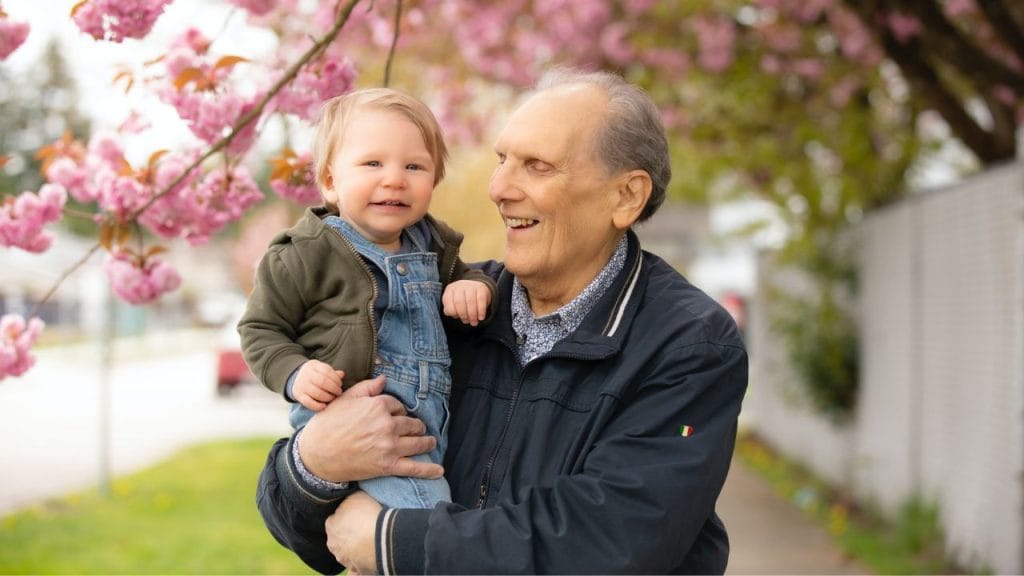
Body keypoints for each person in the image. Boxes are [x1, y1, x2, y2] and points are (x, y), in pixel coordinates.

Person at [256, 68, 748, 574]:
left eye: (537, 166)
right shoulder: (443, 306)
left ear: (625, 196)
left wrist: (393, 541)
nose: (498, 188)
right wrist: (315, 463)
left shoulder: (688, 344)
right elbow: (304, 529)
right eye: (501, 161)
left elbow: (613, 537)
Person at [239, 87, 495, 510]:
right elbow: (260, 328)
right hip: (353, 423)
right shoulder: (305, 253)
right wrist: (294, 372)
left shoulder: (434, 245)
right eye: (372, 163)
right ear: (330, 181)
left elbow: (466, 279)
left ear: (434, 181)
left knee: (412, 527)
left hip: (428, 425)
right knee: (427, 523)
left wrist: (474, 287)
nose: (394, 178)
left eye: (414, 166)